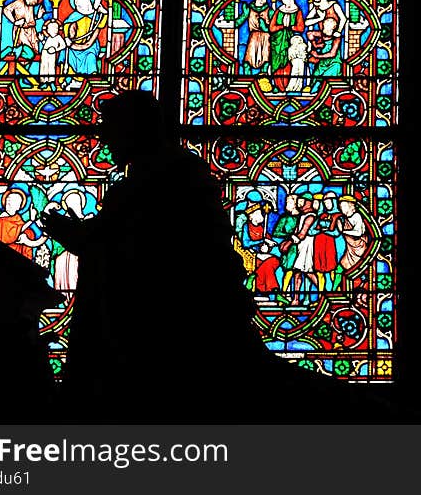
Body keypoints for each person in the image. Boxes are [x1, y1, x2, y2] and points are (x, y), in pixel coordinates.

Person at [42, 91, 268, 419]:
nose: (105, 139)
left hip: (168, 340)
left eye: (112, 128)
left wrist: (85, 240)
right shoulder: (156, 176)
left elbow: (159, 260)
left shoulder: (174, 176)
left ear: (136, 128)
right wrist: (86, 239)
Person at [39, 19, 66, 88]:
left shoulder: (58, 37)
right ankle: (43, 82)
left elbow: (64, 45)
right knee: (44, 67)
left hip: (52, 54)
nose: (54, 30)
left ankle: (51, 82)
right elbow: (45, 45)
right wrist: (42, 40)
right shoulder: (49, 38)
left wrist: (55, 49)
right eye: (49, 29)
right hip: (44, 53)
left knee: (51, 67)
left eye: (55, 28)